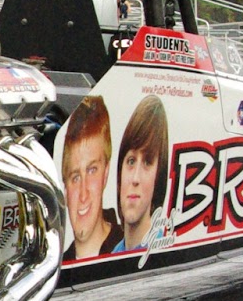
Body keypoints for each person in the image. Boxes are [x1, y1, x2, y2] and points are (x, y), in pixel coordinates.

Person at [60, 95, 121, 260]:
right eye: (75, 177)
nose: (83, 194)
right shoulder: (54, 267)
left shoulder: (130, 248)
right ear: (64, 190)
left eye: (92, 170)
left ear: (106, 173)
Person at [113, 95, 170, 255]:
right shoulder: (114, 254)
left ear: (158, 177)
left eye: (147, 162)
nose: (135, 179)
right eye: (131, 161)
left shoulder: (161, 251)